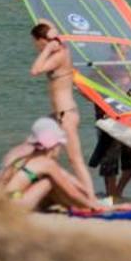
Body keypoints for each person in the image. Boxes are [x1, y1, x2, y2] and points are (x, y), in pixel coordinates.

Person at [30, 22, 96, 199]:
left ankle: (91, 198)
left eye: (36, 43)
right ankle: (48, 191)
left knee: (75, 160)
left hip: (66, 115)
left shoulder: (59, 55)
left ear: (43, 41)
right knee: (42, 152)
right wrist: (50, 37)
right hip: (57, 116)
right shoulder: (59, 48)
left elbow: (35, 70)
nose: (35, 47)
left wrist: (46, 49)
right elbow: (46, 21)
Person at [0, 117, 104, 213]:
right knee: (48, 182)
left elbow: (1, 181)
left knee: (50, 180)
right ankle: (83, 206)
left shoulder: (21, 155)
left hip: (2, 201)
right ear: (54, 146)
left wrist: (89, 195)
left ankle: (84, 202)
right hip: (16, 206)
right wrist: (95, 204)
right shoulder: (47, 163)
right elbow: (72, 193)